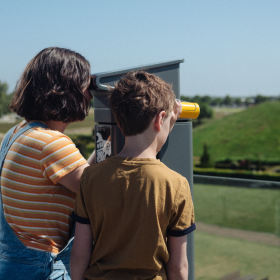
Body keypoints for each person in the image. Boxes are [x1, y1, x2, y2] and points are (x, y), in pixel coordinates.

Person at [70, 71, 196, 280]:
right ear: (161, 118)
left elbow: (79, 255)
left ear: (118, 121)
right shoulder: (176, 184)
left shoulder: (90, 178)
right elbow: (178, 267)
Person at [0, 47, 96, 280]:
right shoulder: (51, 143)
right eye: (87, 84)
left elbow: (85, 176)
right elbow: (99, 190)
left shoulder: (17, 132)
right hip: (41, 268)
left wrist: (106, 142)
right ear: (68, 88)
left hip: (14, 263)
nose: (91, 94)